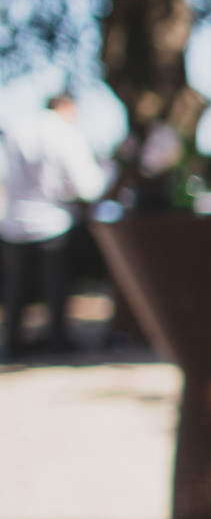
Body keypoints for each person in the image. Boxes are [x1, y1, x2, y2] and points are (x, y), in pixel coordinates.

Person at [2, 92, 106, 359]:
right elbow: (89, 186)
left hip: (13, 222)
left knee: (16, 289)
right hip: (53, 222)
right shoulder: (65, 133)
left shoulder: (15, 129)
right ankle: (56, 342)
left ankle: (13, 343)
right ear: (67, 107)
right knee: (56, 286)